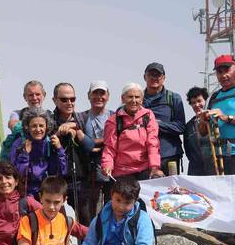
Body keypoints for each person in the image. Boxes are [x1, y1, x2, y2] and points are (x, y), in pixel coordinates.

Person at [52, 82, 95, 224]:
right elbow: (44, 145)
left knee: (85, 221)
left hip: (81, 180)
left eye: (72, 99)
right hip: (57, 181)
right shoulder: (48, 121)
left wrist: (76, 129)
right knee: (58, 222)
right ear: (55, 100)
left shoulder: (82, 119)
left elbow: (90, 146)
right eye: (64, 99)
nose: (69, 103)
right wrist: (59, 132)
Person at [102, 83, 164, 182]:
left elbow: (153, 143)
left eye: (137, 97)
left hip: (144, 170)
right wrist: (107, 164)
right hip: (122, 172)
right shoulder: (113, 121)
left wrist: (154, 166)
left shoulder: (148, 116)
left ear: (142, 99)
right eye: (130, 97)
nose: (134, 101)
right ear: (123, 99)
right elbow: (109, 147)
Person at [76, 80, 114, 220]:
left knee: (112, 209)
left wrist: (92, 141)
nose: (99, 97)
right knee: (90, 214)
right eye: (95, 93)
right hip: (89, 172)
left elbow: (116, 140)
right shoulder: (81, 117)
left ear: (108, 96)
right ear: (88, 96)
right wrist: (104, 140)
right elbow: (82, 142)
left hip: (112, 171)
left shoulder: (115, 116)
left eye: (102, 93)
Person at [9, 107, 67, 198]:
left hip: (46, 192)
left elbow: (61, 171)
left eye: (41, 126)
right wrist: (24, 155)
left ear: (47, 127)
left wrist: (59, 149)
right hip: (25, 193)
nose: (38, 129)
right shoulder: (19, 144)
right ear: (27, 127)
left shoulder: (50, 143)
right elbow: (16, 174)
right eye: (34, 126)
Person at [142, 62, 186, 175]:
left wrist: (155, 124)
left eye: (158, 75)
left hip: (169, 155)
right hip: (143, 157)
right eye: (150, 75)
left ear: (164, 78)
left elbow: (180, 127)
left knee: (171, 191)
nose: (154, 78)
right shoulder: (137, 100)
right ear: (144, 77)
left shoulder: (174, 98)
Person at [1, 80, 49, 160]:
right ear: (24, 97)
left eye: (37, 94)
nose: (34, 98)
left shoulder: (49, 115)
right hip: (21, 158)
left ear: (44, 95)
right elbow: (13, 125)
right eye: (30, 95)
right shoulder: (17, 114)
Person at [183, 86, 209, 175]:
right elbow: (188, 151)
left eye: (199, 101)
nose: (197, 105)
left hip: (214, 168)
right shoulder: (188, 126)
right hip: (195, 170)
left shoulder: (213, 120)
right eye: (193, 103)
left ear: (205, 100)